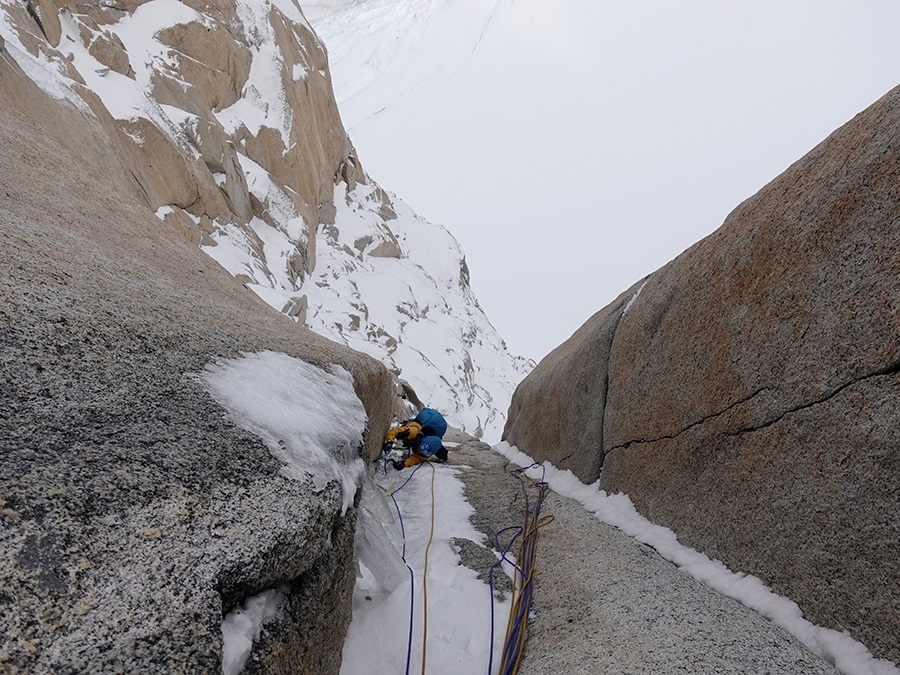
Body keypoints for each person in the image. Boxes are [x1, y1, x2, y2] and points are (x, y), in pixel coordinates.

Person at [383, 407, 448, 469]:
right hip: (415, 428)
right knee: (402, 434)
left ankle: (444, 455)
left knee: (440, 451)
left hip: (429, 435)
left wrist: (404, 464)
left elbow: (417, 459)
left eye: (423, 452)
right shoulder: (412, 432)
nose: (419, 452)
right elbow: (395, 431)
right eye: (421, 449)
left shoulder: (430, 450)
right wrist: (390, 442)